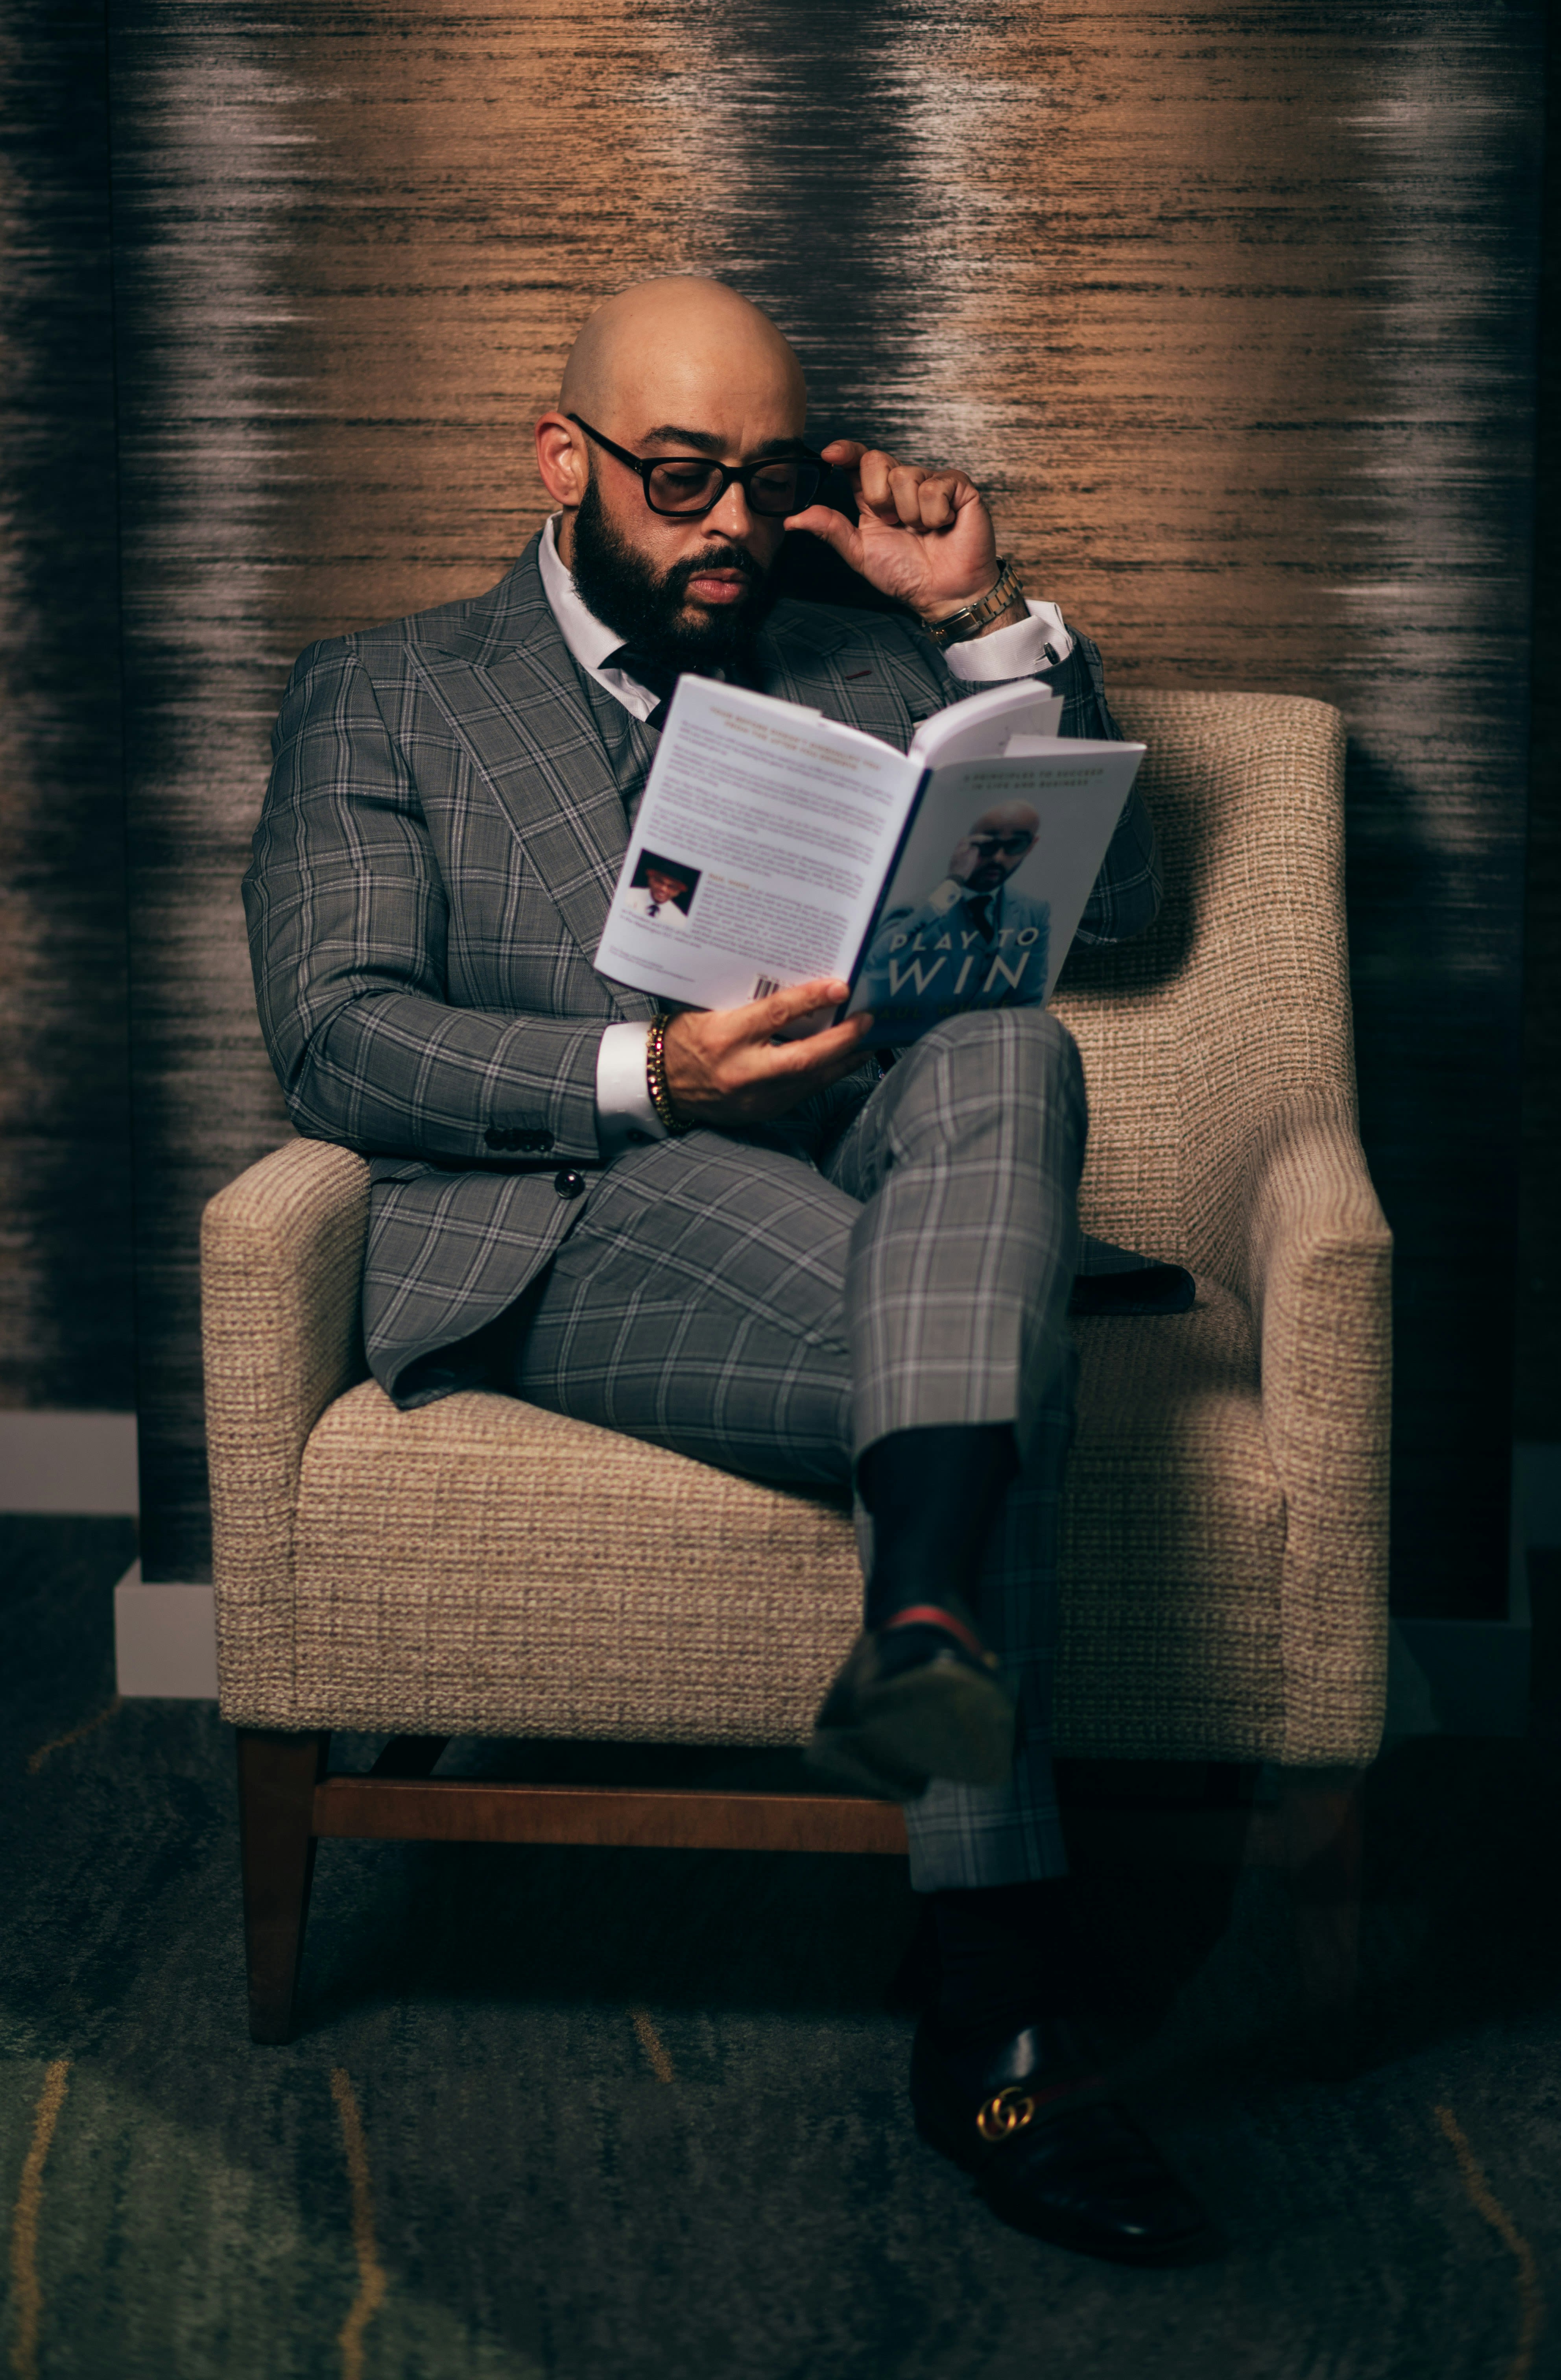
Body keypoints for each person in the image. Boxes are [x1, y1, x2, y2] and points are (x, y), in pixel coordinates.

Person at [244, 275, 1213, 2264]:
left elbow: (1117, 909)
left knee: (1010, 1039)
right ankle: (995, 1994)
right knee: (983, 1345)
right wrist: (648, 1071)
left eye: (764, 485)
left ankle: (923, 1617)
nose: (728, 529)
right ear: (562, 456)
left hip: (878, 1187)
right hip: (569, 1221)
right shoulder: (386, 690)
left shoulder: (861, 666)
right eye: (680, 479)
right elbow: (333, 1033)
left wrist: (978, 622)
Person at [854, 800, 1051, 1034]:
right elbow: (876, 965)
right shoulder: (915, 909)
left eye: (1015, 845)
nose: (998, 858)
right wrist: (952, 884)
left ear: (1031, 846)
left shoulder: (1033, 912)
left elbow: (1028, 1000)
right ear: (964, 846)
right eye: (987, 845)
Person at [621, 856, 697, 926]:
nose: (663, 889)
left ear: (677, 892)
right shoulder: (627, 895)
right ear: (651, 880)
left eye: (671, 887)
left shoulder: (681, 921)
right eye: (660, 882)